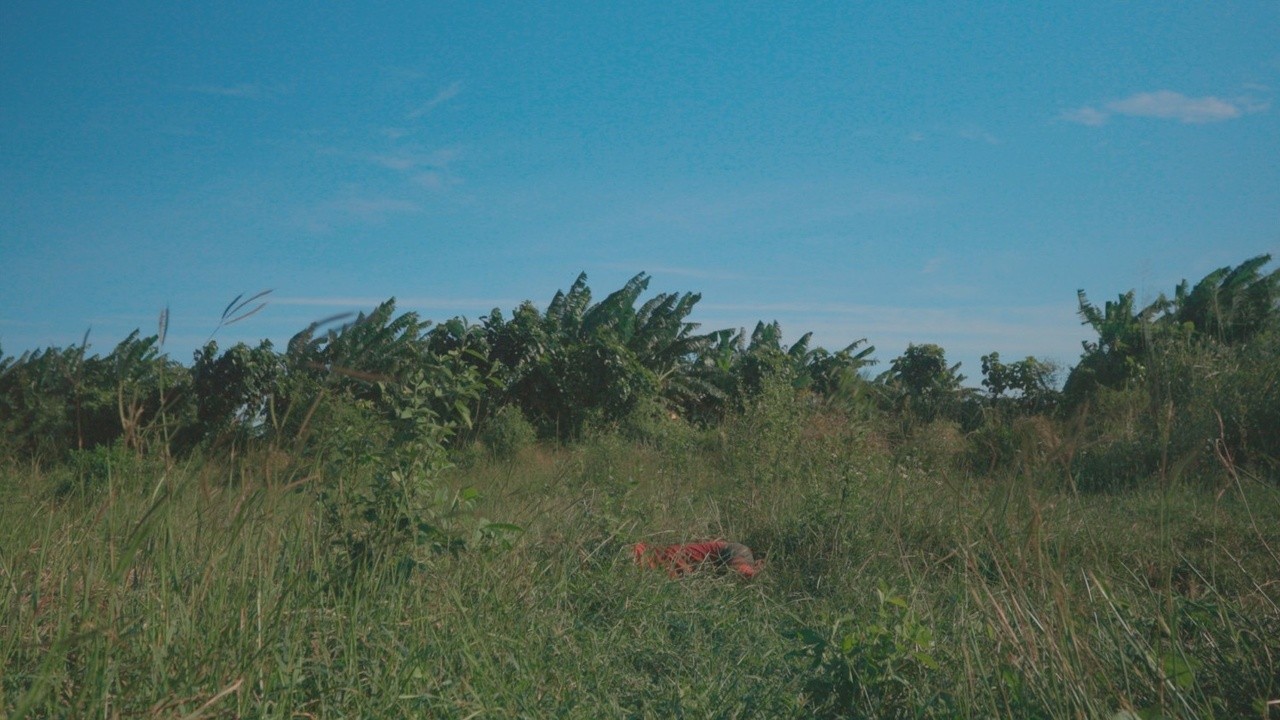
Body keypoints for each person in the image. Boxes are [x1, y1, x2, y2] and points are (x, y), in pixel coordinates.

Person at [632, 540, 760, 578]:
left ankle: (760, 570)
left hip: (726, 551)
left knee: (743, 573)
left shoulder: (638, 551)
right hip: (722, 555)